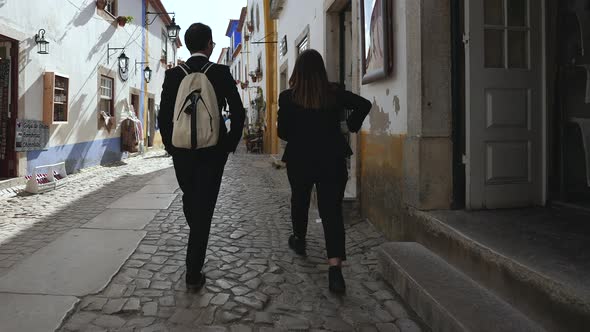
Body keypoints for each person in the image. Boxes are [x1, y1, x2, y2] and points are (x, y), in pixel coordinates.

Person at [158, 23, 245, 291]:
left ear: (185, 45)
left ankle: (193, 266)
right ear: (208, 45)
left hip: (182, 151)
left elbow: (163, 116)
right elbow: (238, 112)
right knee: (204, 208)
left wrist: (172, 146)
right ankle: (193, 272)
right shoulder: (220, 72)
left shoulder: (173, 75)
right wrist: (227, 145)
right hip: (212, 152)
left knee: (190, 197)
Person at [277, 49, 372, 293]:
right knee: (332, 212)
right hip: (332, 159)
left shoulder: (288, 97)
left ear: (297, 71)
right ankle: (335, 271)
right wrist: (351, 125)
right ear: (321, 71)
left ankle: (299, 240)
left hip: (300, 159)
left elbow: (283, 133)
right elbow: (364, 104)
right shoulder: (334, 93)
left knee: (299, 200)